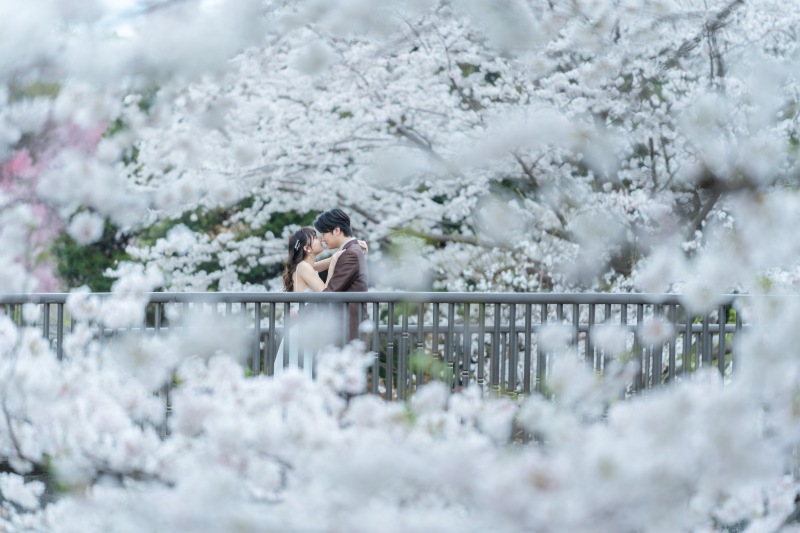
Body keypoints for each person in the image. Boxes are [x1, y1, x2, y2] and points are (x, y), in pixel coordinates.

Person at [273, 226, 366, 377]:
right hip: (303, 328)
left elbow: (332, 259)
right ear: (307, 247)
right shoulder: (304, 267)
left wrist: (353, 245)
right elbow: (325, 294)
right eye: (315, 238)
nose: (321, 239)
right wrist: (334, 264)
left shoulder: (305, 266)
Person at [314, 208, 369, 342]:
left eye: (323, 233)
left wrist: (300, 315)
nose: (322, 239)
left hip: (349, 330)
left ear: (337, 230)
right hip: (350, 328)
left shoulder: (350, 254)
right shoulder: (352, 250)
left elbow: (331, 292)